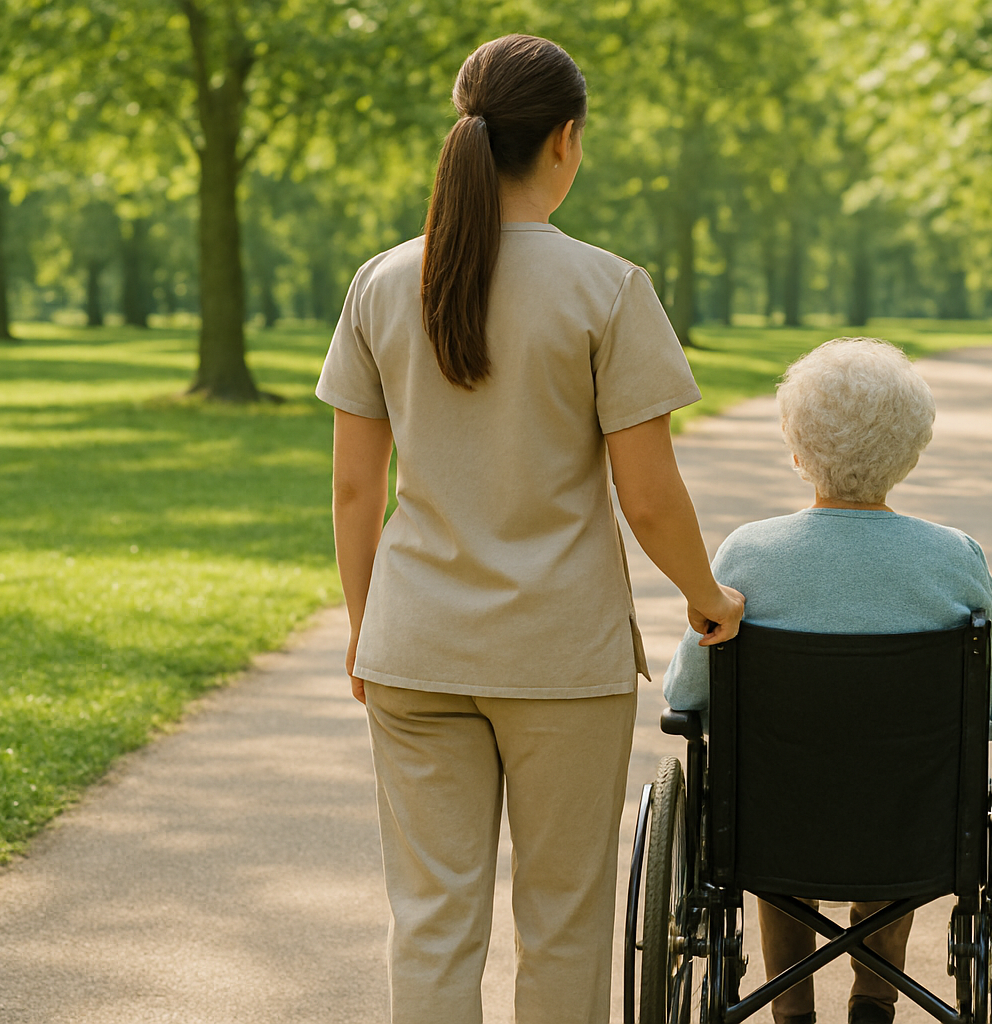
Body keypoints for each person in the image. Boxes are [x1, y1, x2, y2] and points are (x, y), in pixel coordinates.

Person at [318, 34, 744, 1024]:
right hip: (561, 656)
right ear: (565, 141)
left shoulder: (383, 283)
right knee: (562, 920)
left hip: (416, 648)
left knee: (429, 920)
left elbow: (353, 491)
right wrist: (706, 595)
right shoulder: (608, 289)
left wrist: (361, 627)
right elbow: (647, 497)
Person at [662, 337, 992, 1024]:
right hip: (914, 831)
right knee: (896, 792)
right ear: (911, 448)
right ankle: (873, 1003)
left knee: (777, 804)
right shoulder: (953, 559)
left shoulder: (747, 554)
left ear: (798, 448)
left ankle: (792, 1013)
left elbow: (685, 700)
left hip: (770, 829)